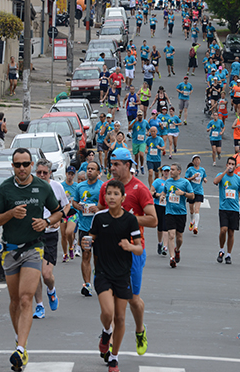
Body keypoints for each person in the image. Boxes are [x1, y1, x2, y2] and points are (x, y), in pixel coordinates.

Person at [0, 148, 63, 370]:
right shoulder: (5, 189)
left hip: (33, 248)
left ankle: (21, 350)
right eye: (17, 165)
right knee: (14, 302)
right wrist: (10, 214)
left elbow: (59, 212)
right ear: (12, 166)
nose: (21, 168)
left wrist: (47, 223)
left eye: (25, 164)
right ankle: (20, 340)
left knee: (25, 299)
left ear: (31, 165)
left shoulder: (42, 187)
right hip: (10, 251)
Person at [98, 148, 158, 356]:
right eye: (111, 163)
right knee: (112, 301)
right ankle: (111, 340)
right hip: (108, 252)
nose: (112, 168)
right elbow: (100, 209)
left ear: (128, 165)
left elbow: (153, 219)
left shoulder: (139, 189)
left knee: (132, 299)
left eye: (116, 164)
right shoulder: (106, 187)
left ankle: (140, 330)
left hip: (132, 251)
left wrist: (126, 219)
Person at [91, 180, 143, 372]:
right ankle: (106, 333)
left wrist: (130, 246)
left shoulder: (130, 220)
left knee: (120, 318)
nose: (111, 197)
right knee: (108, 313)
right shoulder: (99, 218)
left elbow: (139, 248)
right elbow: (91, 238)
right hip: (103, 272)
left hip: (122, 274)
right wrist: (85, 243)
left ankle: (114, 357)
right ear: (105, 197)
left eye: (115, 194)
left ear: (123, 197)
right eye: (108, 194)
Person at [32, 159, 70, 319]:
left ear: (50, 173)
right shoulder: (30, 187)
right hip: (33, 235)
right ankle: (39, 305)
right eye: (39, 172)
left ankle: (51, 290)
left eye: (44, 173)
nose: (41, 175)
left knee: (46, 275)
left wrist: (59, 220)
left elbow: (67, 205)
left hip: (50, 235)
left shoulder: (57, 187)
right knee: (34, 273)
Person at [74, 161, 103, 297]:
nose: (90, 171)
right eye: (88, 169)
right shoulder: (80, 186)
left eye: (93, 169)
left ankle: (98, 280)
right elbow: (74, 201)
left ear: (98, 172)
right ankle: (86, 285)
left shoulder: (103, 187)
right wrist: (78, 206)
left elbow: (109, 204)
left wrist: (98, 208)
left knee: (98, 257)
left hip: (99, 228)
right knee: (86, 254)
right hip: (84, 227)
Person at [214, 157, 240, 265]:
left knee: (231, 232)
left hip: (234, 209)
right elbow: (215, 181)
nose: (231, 166)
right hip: (223, 208)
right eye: (229, 164)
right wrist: (225, 172)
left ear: (235, 166)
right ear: (226, 165)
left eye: (233, 164)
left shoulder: (237, 179)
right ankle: (221, 249)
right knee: (223, 229)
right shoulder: (222, 176)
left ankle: (228, 254)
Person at [162, 163, 194, 268]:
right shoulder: (167, 182)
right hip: (169, 212)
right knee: (171, 235)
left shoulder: (185, 182)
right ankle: (172, 258)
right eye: (170, 170)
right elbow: (164, 192)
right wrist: (162, 197)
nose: (170, 171)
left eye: (173, 170)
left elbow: (192, 195)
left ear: (179, 171)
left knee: (179, 237)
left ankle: (177, 249)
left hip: (181, 213)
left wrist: (183, 194)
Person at [151, 165, 170, 256]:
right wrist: (158, 195)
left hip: (168, 206)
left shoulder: (172, 182)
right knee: (160, 227)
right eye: (165, 171)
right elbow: (150, 192)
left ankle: (165, 247)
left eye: (168, 171)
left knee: (166, 226)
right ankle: (160, 243)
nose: (166, 173)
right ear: (162, 171)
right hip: (159, 205)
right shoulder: (158, 181)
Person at [60, 166, 79, 261]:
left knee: (69, 232)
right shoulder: (61, 186)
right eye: (69, 174)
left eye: (72, 174)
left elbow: (79, 199)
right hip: (63, 212)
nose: (70, 176)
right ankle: (65, 253)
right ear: (66, 174)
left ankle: (71, 247)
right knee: (63, 235)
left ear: (74, 175)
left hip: (73, 212)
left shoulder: (76, 186)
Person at [185, 155, 207, 235]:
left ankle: (196, 227)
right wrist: (192, 177)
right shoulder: (190, 169)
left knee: (197, 210)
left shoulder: (202, 170)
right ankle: (192, 221)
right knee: (191, 210)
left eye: (198, 160)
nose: (197, 161)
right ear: (193, 162)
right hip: (191, 192)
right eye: (195, 160)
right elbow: (186, 179)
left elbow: (204, 176)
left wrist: (204, 179)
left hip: (199, 192)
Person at [129, 110, 149, 175]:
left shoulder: (145, 122)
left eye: (140, 115)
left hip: (142, 141)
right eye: (138, 115)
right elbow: (129, 128)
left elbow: (149, 128)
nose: (139, 116)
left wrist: (148, 132)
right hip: (135, 141)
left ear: (142, 115)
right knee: (136, 156)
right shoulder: (134, 121)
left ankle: (142, 166)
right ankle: (137, 168)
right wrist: (134, 122)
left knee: (141, 154)